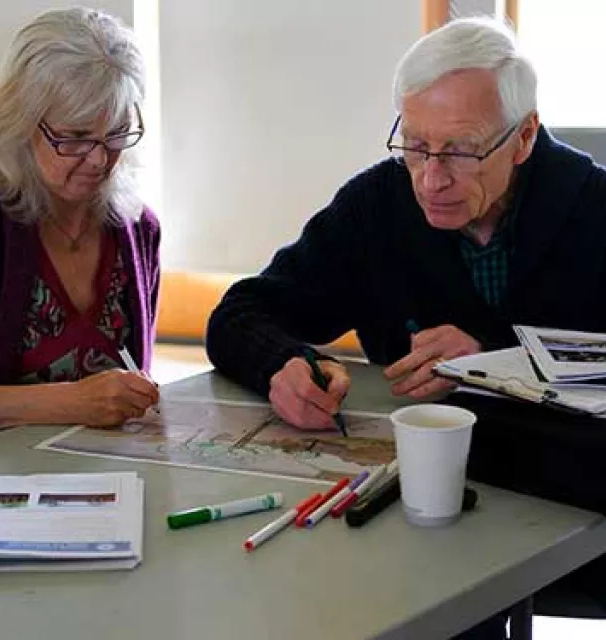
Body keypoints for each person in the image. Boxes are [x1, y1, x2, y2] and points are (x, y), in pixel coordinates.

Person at [206, 17, 606, 639]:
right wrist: (280, 365)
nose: (431, 177)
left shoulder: (593, 208)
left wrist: (499, 362)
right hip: (420, 515)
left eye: (461, 149)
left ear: (523, 136)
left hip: (573, 512)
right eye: (415, 145)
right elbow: (241, 312)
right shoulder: (378, 206)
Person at [0, 7, 160, 440]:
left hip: (108, 484)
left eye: (116, 133)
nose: (99, 159)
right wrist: (68, 402)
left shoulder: (136, 228)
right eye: (73, 138)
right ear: (20, 122)